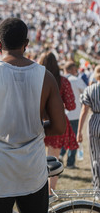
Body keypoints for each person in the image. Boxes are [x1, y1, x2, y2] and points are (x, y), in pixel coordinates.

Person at [0, 18, 66, 213]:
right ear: (26, 44)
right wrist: (37, 128)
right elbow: (59, 126)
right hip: (32, 170)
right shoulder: (45, 76)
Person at [38, 52, 78, 192]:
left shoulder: (34, 80)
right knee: (53, 160)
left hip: (36, 122)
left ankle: (38, 190)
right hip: (57, 123)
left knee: (35, 158)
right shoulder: (63, 81)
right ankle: (50, 190)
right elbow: (72, 105)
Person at [59, 61, 87, 168]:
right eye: (75, 70)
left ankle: (61, 155)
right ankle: (70, 162)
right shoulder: (76, 80)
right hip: (74, 114)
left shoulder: (59, 80)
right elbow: (86, 91)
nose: (76, 72)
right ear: (71, 69)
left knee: (63, 137)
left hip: (62, 114)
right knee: (74, 138)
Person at [78, 65, 100, 191]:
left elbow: (84, 111)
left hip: (95, 122)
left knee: (96, 156)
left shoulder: (90, 89)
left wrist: (79, 131)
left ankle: (97, 187)